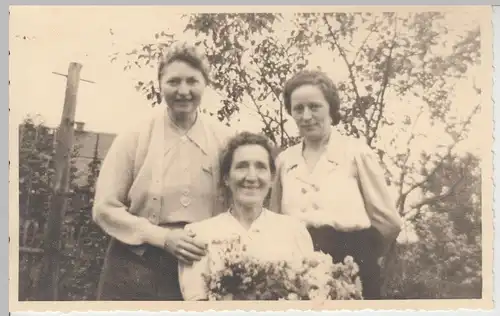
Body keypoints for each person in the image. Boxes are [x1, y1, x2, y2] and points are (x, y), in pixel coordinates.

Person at [92, 42, 233, 301]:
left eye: (193, 81)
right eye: (173, 82)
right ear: (160, 84)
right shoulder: (134, 136)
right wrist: (163, 237)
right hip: (135, 263)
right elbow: (104, 208)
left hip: (200, 263)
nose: (183, 91)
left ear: (206, 84)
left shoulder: (223, 140)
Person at [270, 69, 403, 300]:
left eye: (314, 106)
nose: (306, 115)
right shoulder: (284, 162)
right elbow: (273, 219)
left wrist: (363, 257)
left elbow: (388, 222)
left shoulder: (356, 153)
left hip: (352, 266)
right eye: (298, 109)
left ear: (331, 108)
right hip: (297, 270)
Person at [178, 132, 314, 301]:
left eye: (260, 167)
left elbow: (309, 299)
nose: (251, 177)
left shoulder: (294, 232)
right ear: (226, 178)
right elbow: (195, 303)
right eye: (242, 166)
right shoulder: (200, 234)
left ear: (272, 178)